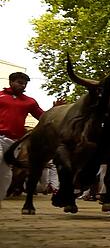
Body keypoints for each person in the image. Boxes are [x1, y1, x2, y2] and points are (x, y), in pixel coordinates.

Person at [0, 72, 44, 205]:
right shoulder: (0, 96)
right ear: (11, 82)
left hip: (14, 142)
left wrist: (55, 109)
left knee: (6, 172)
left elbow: (43, 116)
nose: (22, 85)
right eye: (19, 82)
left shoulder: (29, 101)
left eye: (24, 83)